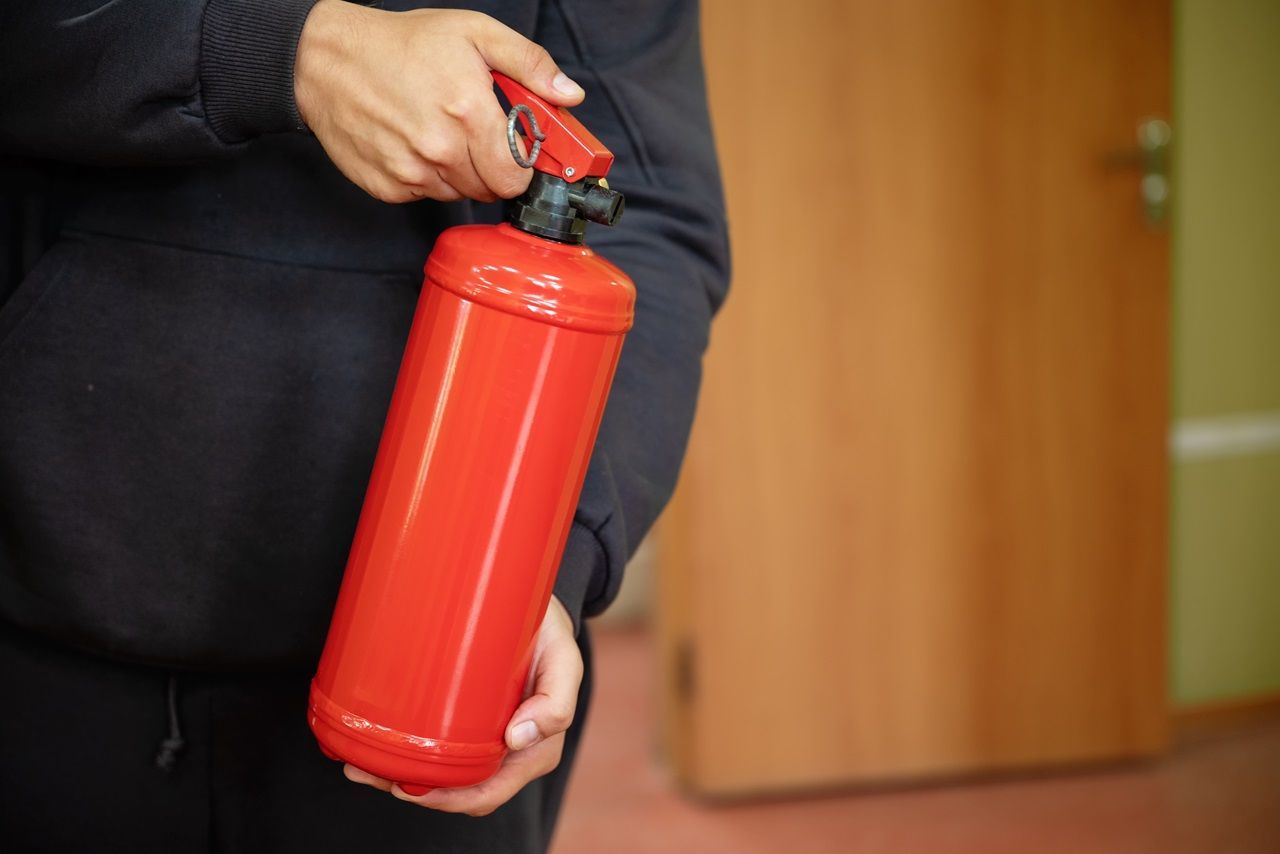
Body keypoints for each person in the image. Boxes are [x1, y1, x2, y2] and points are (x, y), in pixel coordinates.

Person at [0, 1, 728, 851]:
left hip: (438, 670)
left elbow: (652, 215)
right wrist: (282, 54)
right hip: (37, 625)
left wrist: (548, 562)